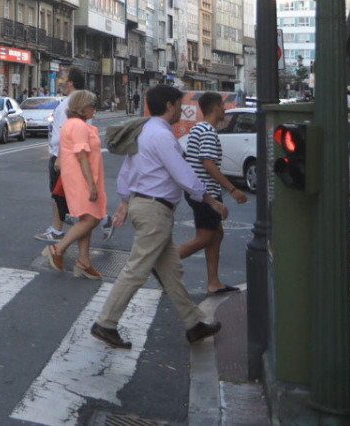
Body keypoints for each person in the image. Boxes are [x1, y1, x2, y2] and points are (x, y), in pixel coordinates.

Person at [91, 84, 227, 350]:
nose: (180, 109)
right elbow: (184, 174)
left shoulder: (146, 131)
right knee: (137, 269)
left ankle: (194, 324)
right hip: (154, 210)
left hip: (149, 207)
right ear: (169, 106)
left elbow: (129, 170)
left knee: (171, 271)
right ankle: (106, 323)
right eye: (178, 103)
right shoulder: (162, 136)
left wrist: (124, 201)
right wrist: (210, 200)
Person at [177, 92, 248, 294]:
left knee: (216, 234)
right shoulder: (207, 131)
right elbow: (208, 164)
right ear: (216, 107)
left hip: (199, 191)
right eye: (223, 106)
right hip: (205, 191)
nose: (225, 110)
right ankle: (164, 263)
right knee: (206, 237)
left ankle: (214, 282)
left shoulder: (199, 129)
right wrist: (233, 190)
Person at [47, 90, 114, 280]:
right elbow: (82, 156)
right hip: (82, 179)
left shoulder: (76, 124)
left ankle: (84, 261)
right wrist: (91, 185)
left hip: (80, 178)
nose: (95, 109)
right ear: (83, 106)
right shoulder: (77, 126)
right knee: (92, 218)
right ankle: (58, 249)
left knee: (87, 219)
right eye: (92, 105)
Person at [34, 66, 81, 243]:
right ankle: (57, 228)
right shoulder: (78, 100)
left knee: (58, 195)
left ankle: (57, 230)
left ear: (71, 82)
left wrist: (60, 157)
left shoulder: (70, 104)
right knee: (66, 195)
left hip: (62, 156)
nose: (60, 81)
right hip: (69, 155)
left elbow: (66, 133)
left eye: (63, 78)